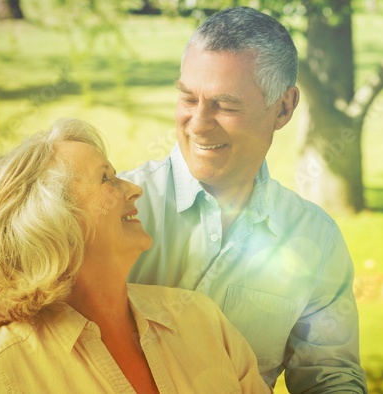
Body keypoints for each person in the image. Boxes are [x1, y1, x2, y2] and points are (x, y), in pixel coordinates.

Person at [121, 7, 366, 392]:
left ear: (283, 108)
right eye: (188, 99)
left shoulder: (317, 242)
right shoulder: (115, 210)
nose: (199, 124)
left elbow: (329, 377)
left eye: (226, 105)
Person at [0, 118, 270, 393]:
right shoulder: (2, 372)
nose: (134, 189)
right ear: (51, 221)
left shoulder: (202, 319)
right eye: (106, 178)